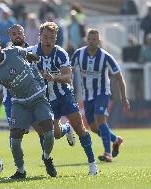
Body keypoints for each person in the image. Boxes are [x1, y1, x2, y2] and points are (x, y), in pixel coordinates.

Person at [26, 22, 98, 175]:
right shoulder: (31, 52)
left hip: (64, 95)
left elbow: (67, 77)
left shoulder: (61, 53)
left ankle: (92, 165)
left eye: (51, 37)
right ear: (39, 36)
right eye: (45, 36)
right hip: (46, 100)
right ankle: (66, 129)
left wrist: (53, 77)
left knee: (80, 128)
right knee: (55, 135)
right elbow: (15, 56)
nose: (48, 40)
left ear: (56, 38)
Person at [0, 36, 57, 179]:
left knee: (49, 133)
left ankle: (47, 158)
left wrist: (37, 62)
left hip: (38, 97)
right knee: (15, 141)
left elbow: (31, 56)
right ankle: (21, 171)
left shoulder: (14, 51)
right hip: (19, 103)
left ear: (1, 48)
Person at [5, 24, 75, 153]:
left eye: (19, 33)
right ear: (10, 37)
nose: (17, 36)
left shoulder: (32, 51)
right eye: (14, 34)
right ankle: (23, 167)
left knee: (53, 133)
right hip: (14, 98)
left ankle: (63, 133)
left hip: (37, 96)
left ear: (24, 35)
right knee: (19, 134)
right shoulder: (7, 53)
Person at [70, 29, 131, 162]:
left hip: (102, 92)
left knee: (100, 119)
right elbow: (69, 72)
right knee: (94, 128)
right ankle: (116, 140)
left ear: (99, 41)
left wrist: (124, 98)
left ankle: (107, 153)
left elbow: (119, 78)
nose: (92, 41)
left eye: (95, 39)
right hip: (87, 95)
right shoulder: (78, 54)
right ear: (86, 40)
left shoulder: (106, 56)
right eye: (90, 39)